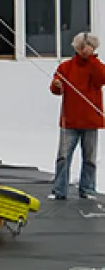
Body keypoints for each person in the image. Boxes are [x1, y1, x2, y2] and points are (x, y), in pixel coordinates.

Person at [49, 32, 105, 200]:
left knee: (90, 159)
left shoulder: (96, 66)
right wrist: (57, 84)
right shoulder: (66, 67)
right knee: (63, 157)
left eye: (88, 47)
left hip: (90, 121)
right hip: (70, 121)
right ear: (77, 48)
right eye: (81, 47)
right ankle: (60, 190)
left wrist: (93, 59)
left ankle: (87, 189)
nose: (84, 51)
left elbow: (102, 79)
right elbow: (54, 88)